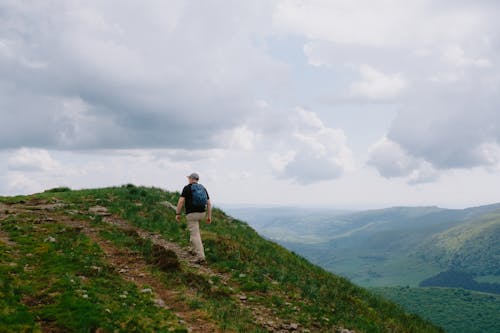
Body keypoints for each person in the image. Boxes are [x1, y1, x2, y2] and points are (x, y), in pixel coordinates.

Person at [175, 172, 212, 263]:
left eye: (189, 178)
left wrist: (178, 213)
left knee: (195, 234)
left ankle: (201, 257)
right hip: (202, 213)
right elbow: (209, 203)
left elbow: (181, 202)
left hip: (192, 214)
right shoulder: (203, 188)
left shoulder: (187, 188)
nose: (188, 180)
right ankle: (193, 250)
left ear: (191, 179)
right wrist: (209, 216)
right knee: (195, 231)